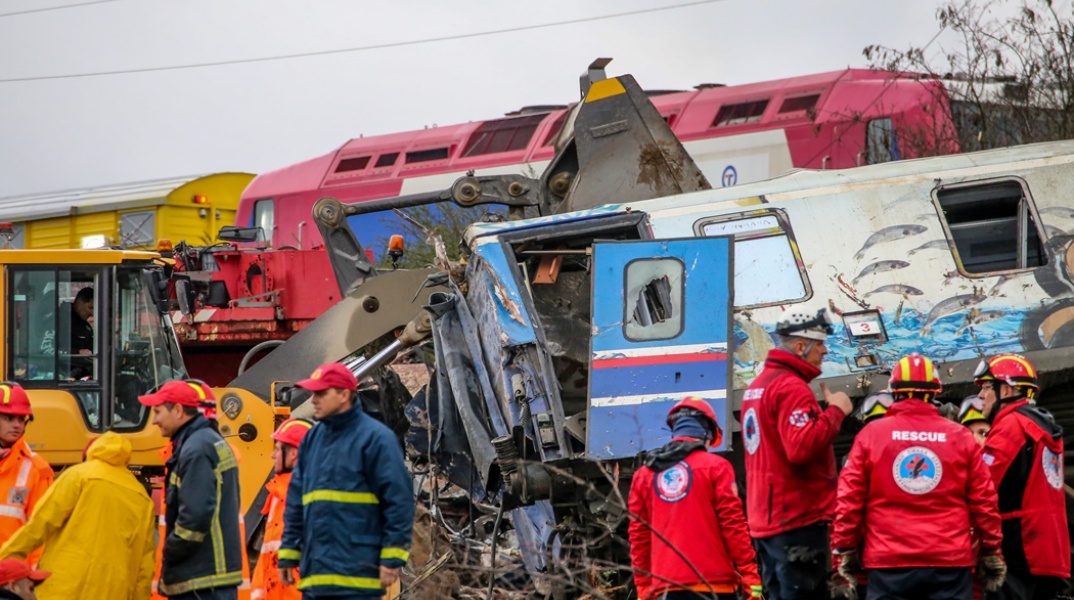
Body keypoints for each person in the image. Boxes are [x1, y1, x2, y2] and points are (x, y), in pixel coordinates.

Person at [831, 353, 1006, 599]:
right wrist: (991, 550)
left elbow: (849, 500)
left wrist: (844, 550)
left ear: (894, 392)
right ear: (934, 393)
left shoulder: (871, 435)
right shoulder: (959, 437)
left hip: (888, 564)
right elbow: (984, 501)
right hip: (949, 563)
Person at [740, 309, 852, 600]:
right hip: (797, 521)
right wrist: (836, 411)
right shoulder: (791, 388)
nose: (825, 351)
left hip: (766, 522)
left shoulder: (756, 387)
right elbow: (801, 448)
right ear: (801, 346)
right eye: (820, 343)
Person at [278, 362, 414, 599]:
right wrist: (288, 553)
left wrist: (392, 560)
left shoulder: (376, 439)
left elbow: (399, 503)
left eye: (321, 393)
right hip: (316, 577)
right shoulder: (312, 440)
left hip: (358, 577)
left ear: (343, 395)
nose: (313, 400)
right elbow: (296, 502)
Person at [628, 397, 762, 600]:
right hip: (715, 585)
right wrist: (750, 575)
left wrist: (644, 587)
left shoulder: (644, 475)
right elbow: (733, 525)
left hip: (666, 588)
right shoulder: (717, 467)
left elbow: (639, 536)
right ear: (707, 433)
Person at [0, 432, 155, 599]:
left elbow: (40, 524)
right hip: (113, 592)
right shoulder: (142, 497)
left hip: (62, 587)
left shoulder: (78, 476)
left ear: (91, 454)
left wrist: (4, 560)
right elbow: (145, 565)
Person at [974, 354, 1070, 599]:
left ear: (1006, 390)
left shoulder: (1012, 426)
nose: (981, 395)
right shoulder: (1040, 426)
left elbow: (984, 487)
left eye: (987, 387)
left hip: (1018, 550)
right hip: (1047, 551)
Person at [139, 379, 244, 599]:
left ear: (178, 410)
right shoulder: (205, 442)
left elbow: (195, 516)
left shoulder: (196, 448)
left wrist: (169, 551)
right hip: (209, 578)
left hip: (201, 580)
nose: (155, 420)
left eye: (158, 412)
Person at [251, 417, 313, 600]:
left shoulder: (314, 498)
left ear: (293, 454)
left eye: (277, 449)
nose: (272, 455)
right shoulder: (278, 496)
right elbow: (266, 559)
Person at [0, 383, 53, 563]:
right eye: (9, 418)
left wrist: (29, 575)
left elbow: (42, 533)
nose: (17, 425)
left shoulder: (37, 469)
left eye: (22, 419)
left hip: (12, 573)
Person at [63, 288, 94, 380]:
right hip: (64, 372)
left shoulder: (84, 325)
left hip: (83, 370)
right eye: (90, 308)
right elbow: (48, 349)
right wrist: (77, 353)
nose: (92, 313)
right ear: (79, 303)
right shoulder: (61, 318)